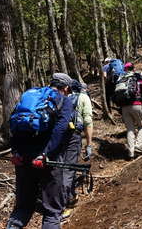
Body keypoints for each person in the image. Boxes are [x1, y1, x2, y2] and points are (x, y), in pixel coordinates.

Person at [7, 73, 74, 229]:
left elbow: (13, 124)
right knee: (52, 211)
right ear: (65, 88)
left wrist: (16, 152)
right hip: (47, 161)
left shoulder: (31, 96)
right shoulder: (64, 100)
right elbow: (60, 129)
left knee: (22, 208)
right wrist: (45, 154)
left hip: (22, 159)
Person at [61, 80, 94, 220]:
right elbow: (87, 121)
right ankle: (64, 205)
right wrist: (89, 144)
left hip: (57, 137)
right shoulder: (83, 97)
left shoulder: (61, 97)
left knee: (63, 167)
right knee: (68, 169)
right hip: (73, 137)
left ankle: (71, 195)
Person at [118, 62, 142, 160]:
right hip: (136, 104)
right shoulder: (137, 76)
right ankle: (138, 146)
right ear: (133, 68)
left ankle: (131, 153)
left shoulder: (121, 79)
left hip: (124, 106)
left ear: (125, 69)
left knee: (130, 129)